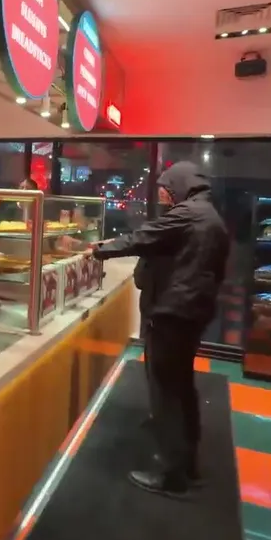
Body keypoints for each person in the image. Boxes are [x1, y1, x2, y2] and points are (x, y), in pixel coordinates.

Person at [91, 161, 230, 497]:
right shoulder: (210, 215)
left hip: (173, 312)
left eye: (165, 189)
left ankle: (171, 475)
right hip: (193, 311)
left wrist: (97, 250)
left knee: (166, 392)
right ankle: (188, 464)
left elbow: (142, 237)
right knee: (182, 388)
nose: (163, 196)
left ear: (180, 185)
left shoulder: (188, 213)